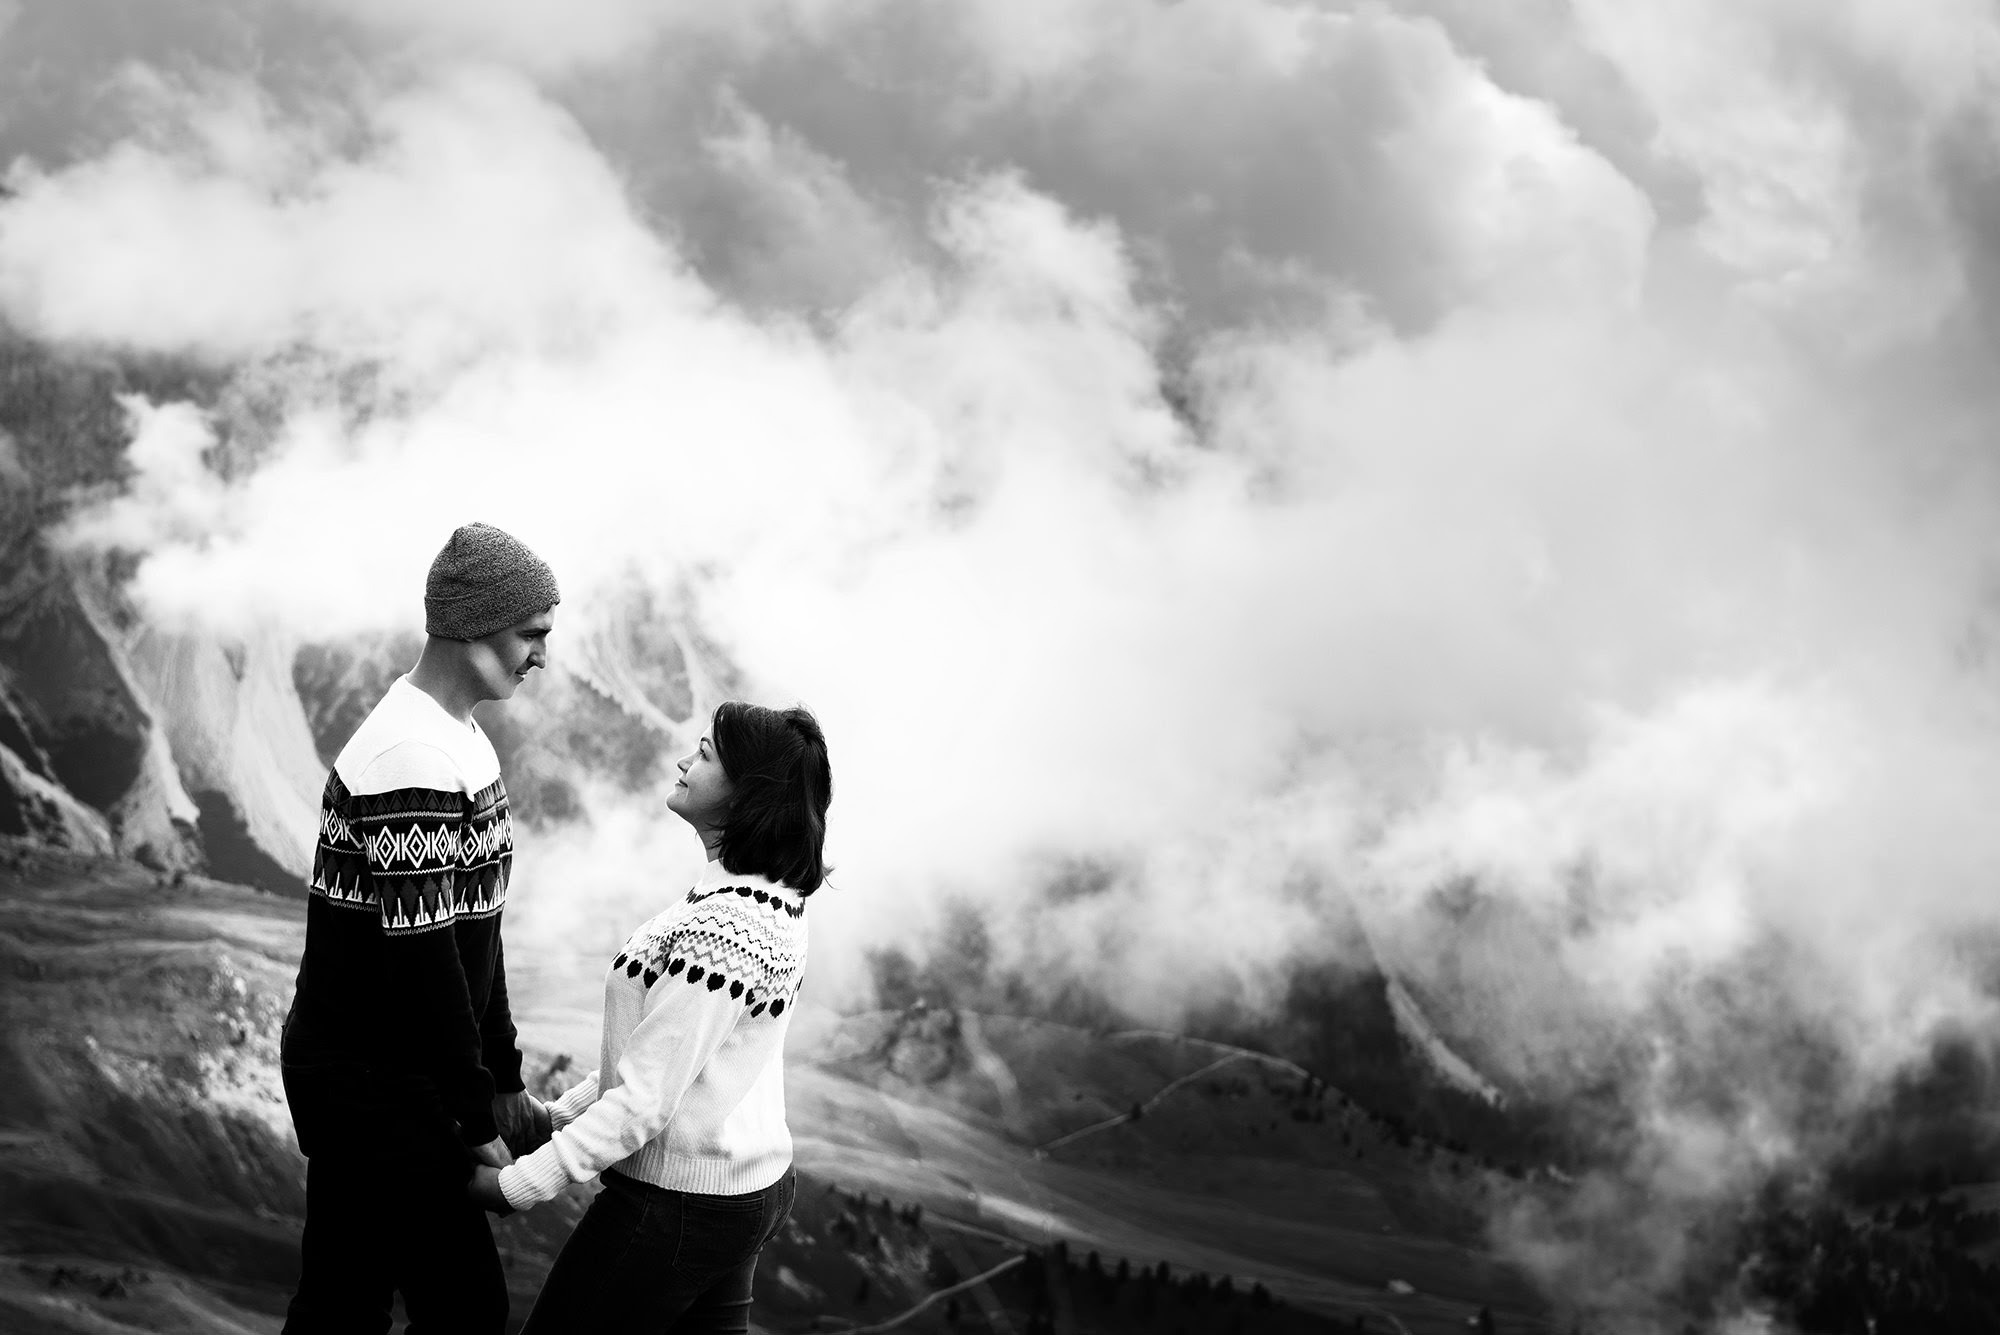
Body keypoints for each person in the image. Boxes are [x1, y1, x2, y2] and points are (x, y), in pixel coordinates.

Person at [280, 521, 561, 1335]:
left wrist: (501, 1076)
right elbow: (428, 959)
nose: (541, 654)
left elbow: (481, 932)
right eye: (531, 633)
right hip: (374, 1082)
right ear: (475, 622)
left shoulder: (457, 740)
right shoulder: (410, 753)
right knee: (458, 1308)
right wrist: (476, 1124)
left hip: (384, 1075)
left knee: (346, 1299)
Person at [476, 700, 832, 1334]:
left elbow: (645, 1100)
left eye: (705, 754)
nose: (684, 760)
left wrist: (510, 1189)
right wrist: (559, 1117)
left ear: (746, 792)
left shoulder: (725, 928)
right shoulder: (766, 897)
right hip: (741, 1187)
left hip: (678, 1203)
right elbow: (675, 1058)